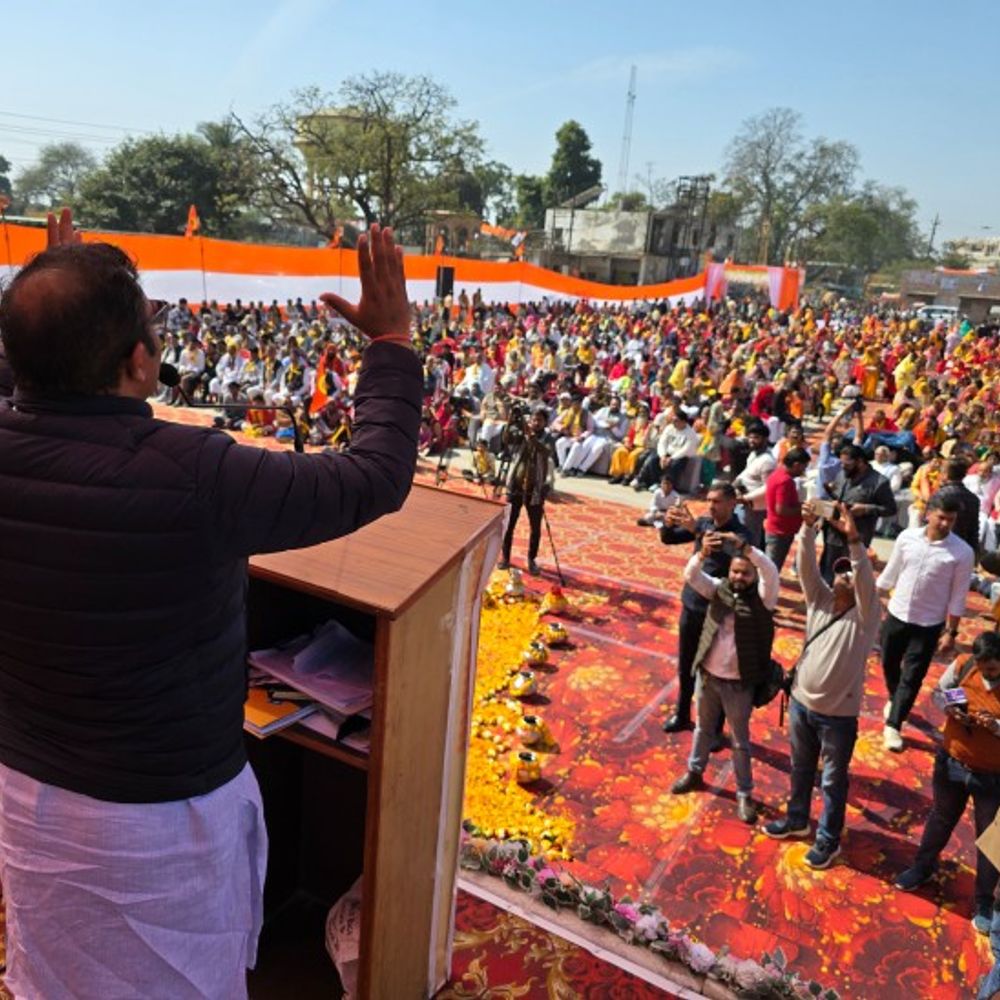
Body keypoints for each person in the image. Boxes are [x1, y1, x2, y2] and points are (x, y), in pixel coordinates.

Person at [0, 210, 420, 999]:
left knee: (54, 972)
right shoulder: (194, 472)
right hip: (160, 825)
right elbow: (372, 477)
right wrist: (391, 344)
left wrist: (54, 307)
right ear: (138, 363)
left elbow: (29, 375)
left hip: (28, 795)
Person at [764, 503, 880, 869]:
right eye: (839, 573)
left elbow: (864, 580)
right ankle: (797, 820)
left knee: (832, 782)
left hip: (838, 717)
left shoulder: (866, 617)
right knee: (800, 769)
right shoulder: (819, 602)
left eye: (848, 575)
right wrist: (807, 528)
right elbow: (804, 568)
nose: (842, 578)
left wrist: (854, 542)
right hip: (800, 705)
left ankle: (828, 841)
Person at [894, 631, 1000, 937]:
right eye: (982, 667)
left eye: (992, 669)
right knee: (940, 818)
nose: (985, 674)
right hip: (951, 762)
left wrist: (996, 727)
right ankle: (922, 867)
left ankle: (983, 900)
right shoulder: (965, 665)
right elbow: (941, 692)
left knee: (989, 839)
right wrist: (956, 709)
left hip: (991, 776)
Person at [669, 533, 780, 824]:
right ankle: (695, 772)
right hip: (708, 677)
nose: (739, 577)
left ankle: (744, 793)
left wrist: (748, 550)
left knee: (740, 741)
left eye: (745, 572)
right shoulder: (719, 589)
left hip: (739, 684)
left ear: (753, 575)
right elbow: (691, 575)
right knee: (703, 730)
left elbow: (771, 571)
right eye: (735, 571)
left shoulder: (764, 600)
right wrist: (702, 554)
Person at [877, 491, 977, 751]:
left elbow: (958, 597)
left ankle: (894, 724)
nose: (945, 524)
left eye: (951, 520)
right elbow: (890, 575)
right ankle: (895, 698)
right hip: (897, 614)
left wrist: (951, 632)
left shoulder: (962, 553)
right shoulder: (906, 538)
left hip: (929, 623)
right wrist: (869, 599)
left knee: (912, 676)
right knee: (888, 663)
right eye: (941, 517)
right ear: (928, 513)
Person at [659, 482, 749, 734]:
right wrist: (668, 522)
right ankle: (682, 714)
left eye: (717, 501)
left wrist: (696, 529)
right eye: (709, 500)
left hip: (719, 613)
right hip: (692, 606)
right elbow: (669, 539)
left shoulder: (741, 533)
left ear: (733, 503)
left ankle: (715, 729)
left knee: (716, 673)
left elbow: (736, 550)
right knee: (686, 665)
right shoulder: (703, 523)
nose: (711, 506)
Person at [819, 443, 897, 583]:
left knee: (846, 580)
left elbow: (890, 509)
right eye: (842, 463)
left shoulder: (879, 482)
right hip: (833, 534)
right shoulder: (843, 474)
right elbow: (838, 496)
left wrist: (866, 509)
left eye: (847, 464)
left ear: (860, 462)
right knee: (826, 574)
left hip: (855, 538)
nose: (843, 467)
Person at [498, 407, 554, 575]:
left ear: (545, 422)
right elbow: (507, 439)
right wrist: (510, 422)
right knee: (509, 524)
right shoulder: (522, 433)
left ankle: (531, 559)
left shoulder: (547, 437)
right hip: (515, 485)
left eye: (539, 420)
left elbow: (546, 451)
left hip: (535, 489)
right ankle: (506, 557)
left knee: (535, 528)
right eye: (533, 420)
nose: (535, 423)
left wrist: (531, 438)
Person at [764, 447, 809, 572]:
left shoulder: (777, 474)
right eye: (803, 467)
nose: (804, 471)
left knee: (770, 566)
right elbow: (782, 510)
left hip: (777, 528)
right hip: (780, 530)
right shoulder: (785, 481)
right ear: (796, 465)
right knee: (771, 569)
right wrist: (803, 509)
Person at [733, 420, 776, 549]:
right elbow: (747, 474)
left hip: (754, 506)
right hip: (742, 501)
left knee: (750, 537)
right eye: (750, 437)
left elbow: (768, 487)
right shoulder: (753, 454)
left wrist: (746, 498)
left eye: (756, 438)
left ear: (765, 439)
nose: (751, 440)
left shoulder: (767, 461)